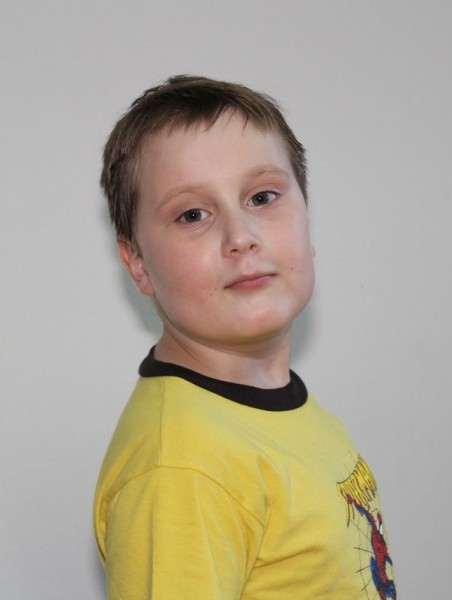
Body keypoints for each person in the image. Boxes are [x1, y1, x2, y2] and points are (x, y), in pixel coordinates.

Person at [93, 75, 396, 599]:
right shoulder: (183, 468)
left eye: (261, 197)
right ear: (137, 262)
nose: (241, 237)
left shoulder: (279, 415)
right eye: (193, 214)